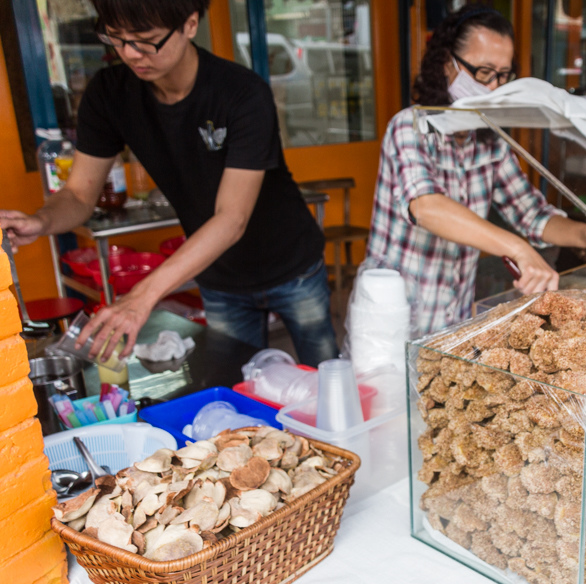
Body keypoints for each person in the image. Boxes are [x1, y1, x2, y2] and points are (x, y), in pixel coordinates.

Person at [0, 0, 337, 366]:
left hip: (291, 266)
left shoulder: (240, 92)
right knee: (241, 390)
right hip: (218, 276)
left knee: (325, 376)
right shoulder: (110, 94)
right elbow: (80, 193)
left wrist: (142, 297)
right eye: (117, 38)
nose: (130, 54)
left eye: (147, 40)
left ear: (190, 24)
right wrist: (41, 221)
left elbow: (231, 218)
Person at [365, 4, 586, 336]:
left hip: (453, 317)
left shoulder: (489, 142)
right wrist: (518, 249)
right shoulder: (409, 128)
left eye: (503, 75)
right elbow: (427, 208)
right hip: (390, 315)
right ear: (446, 64)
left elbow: (533, 214)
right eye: (483, 72)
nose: (494, 87)